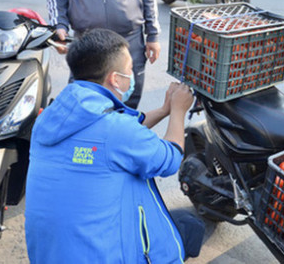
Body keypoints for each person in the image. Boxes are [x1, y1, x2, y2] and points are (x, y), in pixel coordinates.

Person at [25, 28, 205, 263]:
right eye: (130, 69)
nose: (132, 75)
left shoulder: (48, 119)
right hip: (99, 256)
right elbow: (170, 159)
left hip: (48, 254)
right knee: (190, 228)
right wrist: (179, 111)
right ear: (115, 78)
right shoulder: (115, 131)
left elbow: (120, 134)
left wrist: (163, 111)